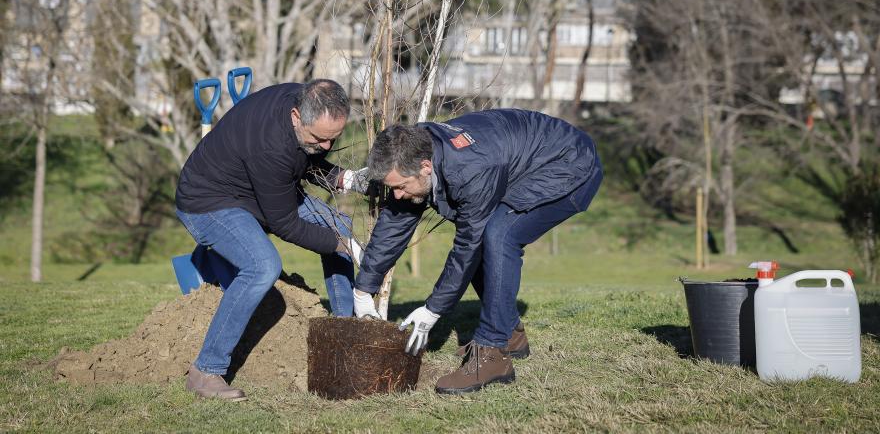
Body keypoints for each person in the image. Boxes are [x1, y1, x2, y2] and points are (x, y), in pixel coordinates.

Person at [352, 109, 603, 394]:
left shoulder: (470, 169)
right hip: (525, 158)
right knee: (488, 235)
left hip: (570, 164)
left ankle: (492, 353)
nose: (397, 195)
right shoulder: (415, 147)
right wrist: (363, 289)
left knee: (499, 235)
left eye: (400, 187)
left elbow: (468, 246)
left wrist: (433, 310)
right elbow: (397, 219)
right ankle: (510, 334)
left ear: (425, 167)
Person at [175, 79, 368, 401]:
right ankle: (206, 371)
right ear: (296, 116)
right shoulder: (271, 145)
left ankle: (344, 330)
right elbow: (285, 224)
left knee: (339, 223)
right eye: (320, 138)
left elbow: (305, 159)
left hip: (254, 188)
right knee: (262, 266)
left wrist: (346, 179)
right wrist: (344, 247)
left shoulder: (305, 102)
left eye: (333, 139)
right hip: (209, 202)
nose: (326, 147)